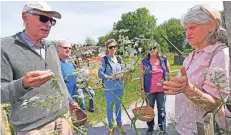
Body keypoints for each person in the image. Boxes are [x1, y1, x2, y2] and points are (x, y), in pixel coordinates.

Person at [1, 1, 79, 135]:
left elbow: (59, 79)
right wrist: (23, 84)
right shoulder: (5, 47)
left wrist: (71, 102)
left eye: (51, 21)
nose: (48, 24)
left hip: (62, 118)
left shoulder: (50, 47)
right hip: (33, 128)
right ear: (25, 17)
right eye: (43, 18)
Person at [162, 5, 230, 135]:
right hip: (183, 128)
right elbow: (185, 85)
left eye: (192, 27)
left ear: (211, 25)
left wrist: (187, 89)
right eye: (186, 29)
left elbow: (215, 105)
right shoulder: (191, 56)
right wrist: (175, 86)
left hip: (205, 130)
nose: (187, 33)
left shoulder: (219, 54)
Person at [140, 44, 170, 135]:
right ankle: (150, 128)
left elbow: (168, 72)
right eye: (150, 48)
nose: (152, 50)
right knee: (150, 109)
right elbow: (141, 76)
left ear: (157, 49)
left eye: (154, 48)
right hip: (149, 90)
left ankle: (162, 128)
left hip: (161, 90)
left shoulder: (163, 60)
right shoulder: (144, 61)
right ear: (147, 50)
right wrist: (142, 89)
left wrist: (167, 83)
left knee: (161, 109)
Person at [98, 39, 126, 134]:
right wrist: (110, 77)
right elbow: (100, 74)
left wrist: (124, 75)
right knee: (110, 107)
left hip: (119, 87)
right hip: (109, 88)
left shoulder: (119, 59)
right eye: (111, 47)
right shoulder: (104, 60)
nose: (113, 48)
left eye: (114, 46)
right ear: (107, 49)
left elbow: (124, 70)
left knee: (118, 107)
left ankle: (120, 125)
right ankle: (111, 128)